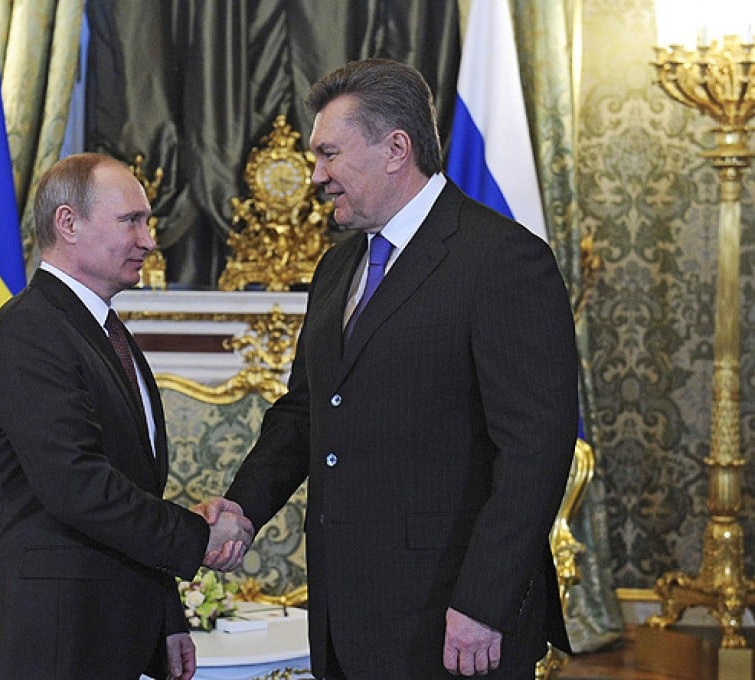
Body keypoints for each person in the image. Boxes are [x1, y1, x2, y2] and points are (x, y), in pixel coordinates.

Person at [197, 59, 579, 678]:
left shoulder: (502, 260)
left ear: (396, 148)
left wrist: (484, 601)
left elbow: (536, 451)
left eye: (329, 154)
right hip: (345, 610)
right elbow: (305, 410)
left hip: (453, 617)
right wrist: (242, 507)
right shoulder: (336, 267)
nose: (316, 176)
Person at [0, 152, 253, 680]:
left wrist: (166, 614)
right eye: (131, 220)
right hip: (46, 635)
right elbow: (79, 487)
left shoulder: (104, 333)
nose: (149, 240)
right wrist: (197, 539)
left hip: (100, 627)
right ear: (67, 223)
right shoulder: (29, 331)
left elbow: (133, 486)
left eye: (148, 220)